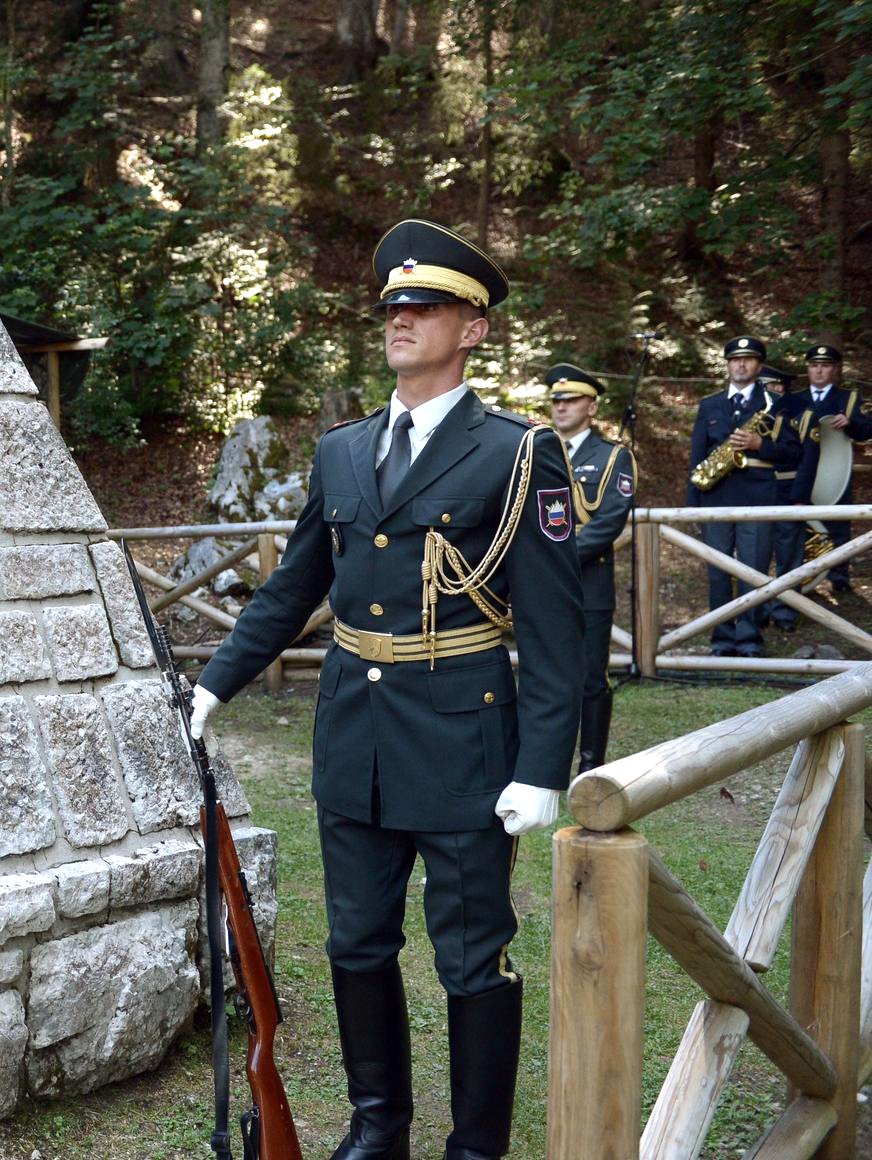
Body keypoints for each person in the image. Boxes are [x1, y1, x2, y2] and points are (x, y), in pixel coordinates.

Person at [187, 219, 582, 1160]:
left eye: (427, 305)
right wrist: (216, 683)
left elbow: (559, 636)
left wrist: (542, 769)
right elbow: (294, 586)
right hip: (354, 740)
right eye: (393, 307)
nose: (402, 320)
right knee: (357, 946)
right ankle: (379, 1130)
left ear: (474, 328)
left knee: (469, 956)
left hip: (461, 742)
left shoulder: (517, 453)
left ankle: (476, 1146)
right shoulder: (343, 451)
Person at [686, 337, 802, 657]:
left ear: (759, 366)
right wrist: (691, 507)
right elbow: (696, 457)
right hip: (715, 497)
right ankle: (722, 639)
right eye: (735, 359)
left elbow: (794, 452)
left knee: (754, 570)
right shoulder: (709, 404)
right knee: (718, 573)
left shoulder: (777, 404)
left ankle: (750, 639)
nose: (741, 364)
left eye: (749, 359)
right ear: (727, 364)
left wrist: (759, 445)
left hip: (758, 497)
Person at [547, 364, 634, 773]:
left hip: (588, 582)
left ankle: (590, 763)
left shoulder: (613, 456)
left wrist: (555, 559)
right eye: (557, 400)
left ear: (592, 406)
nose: (561, 407)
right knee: (544, 674)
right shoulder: (537, 451)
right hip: (542, 582)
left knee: (590, 677)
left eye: (572, 400)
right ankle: (546, 758)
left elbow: (609, 521)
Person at [788, 345, 872, 597]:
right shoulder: (794, 398)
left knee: (837, 524)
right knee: (803, 524)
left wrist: (851, 423)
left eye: (825, 365)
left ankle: (839, 576)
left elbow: (867, 429)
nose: (819, 370)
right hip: (801, 470)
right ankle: (805, 575)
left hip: (836, 468)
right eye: (814, 365)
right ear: (808, 369)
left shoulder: (849, 398)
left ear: (834, 369)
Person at [756, 364, 805, 630]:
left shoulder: (792, 415)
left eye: (772, 386)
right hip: (754, 492)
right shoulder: (746, 412)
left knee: (788, 555)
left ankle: (786, 611)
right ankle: (758, 610)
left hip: (786, 490)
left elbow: (798, 454)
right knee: (756, 557)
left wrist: (761, 446)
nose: (769, 390)